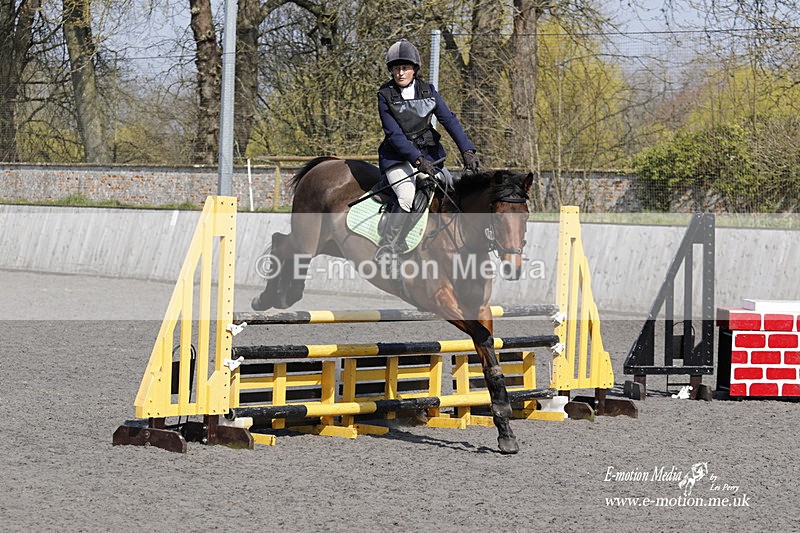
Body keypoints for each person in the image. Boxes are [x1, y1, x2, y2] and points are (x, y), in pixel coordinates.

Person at [375, 38, 479, 265]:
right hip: (397, 157)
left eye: (405, 68)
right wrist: (417, 160)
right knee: (406, 194)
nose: (400, 73)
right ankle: (388, 247)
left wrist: (467, 150)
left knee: (449, 186)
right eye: (396, 68)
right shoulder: (385, 95)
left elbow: (449, 121)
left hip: (428, 155)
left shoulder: (428, 91)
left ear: (414, 69)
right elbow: (394, 135)